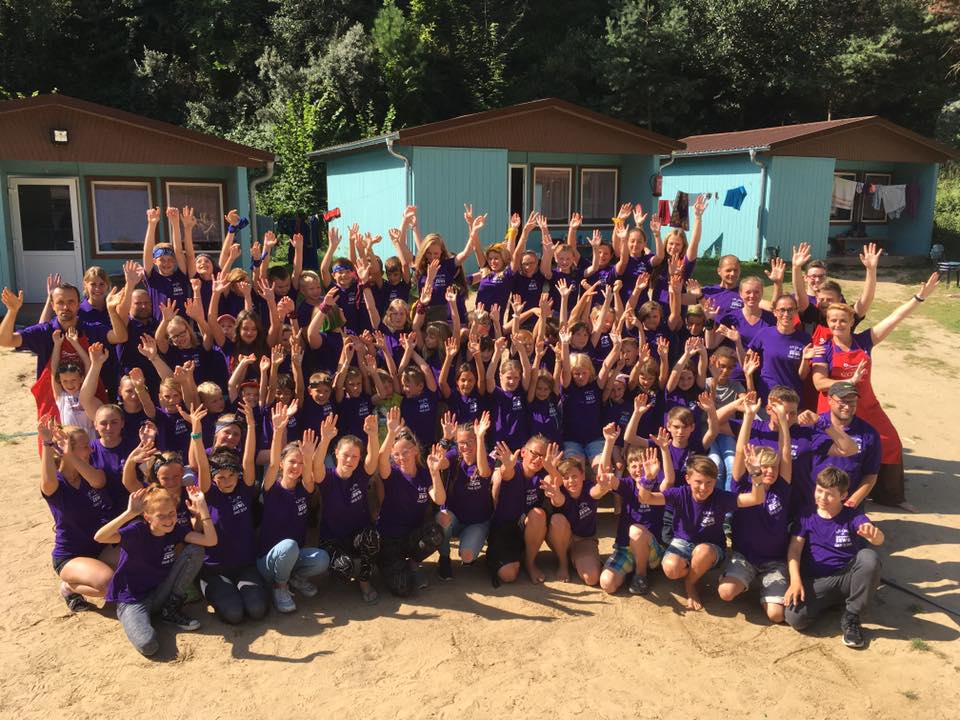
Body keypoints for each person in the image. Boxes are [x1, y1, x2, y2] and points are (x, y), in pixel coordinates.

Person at [811, 272, 939, 508]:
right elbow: (819, 382)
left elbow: (895, 318)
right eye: (833, 321)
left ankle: (890, 496)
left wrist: (919, 297)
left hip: (867, 405)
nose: (838, 325)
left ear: (852, 321)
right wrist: (849, 381)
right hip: (833, 408)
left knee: (890, 443)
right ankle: (830, 498)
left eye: (842, 320)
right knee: (834, 449)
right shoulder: (823, 349)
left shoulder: (864, 341)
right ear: (827, 322)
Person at [95, 484, 217, 657]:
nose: (168, 520)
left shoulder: (175, 530)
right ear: (148, 517)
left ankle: (170, 610)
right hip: (133, 600)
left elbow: (210, 541)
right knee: (148, 645)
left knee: (195, 550)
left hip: (160, 592)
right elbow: (100, 537)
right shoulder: (137, 531)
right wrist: (130, 513)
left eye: (172, 513)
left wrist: (203, 508)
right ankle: (139, 618)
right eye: (161, 516)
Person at [637, 456, 766, 611]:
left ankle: (690, 583)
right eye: (698, 482)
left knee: (702, 551)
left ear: (715, 481)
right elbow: (646, 498)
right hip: (683, 541)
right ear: (688, 479)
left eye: (709, 482)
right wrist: (648, 479)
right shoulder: (680, 494)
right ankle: (694, 569)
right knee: (671, 569)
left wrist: (756, 475)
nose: (704, 488)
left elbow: (756, 498)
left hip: (711, 548)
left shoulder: (720, 497)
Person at [784, 467, 885, 649]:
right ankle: (834, 601)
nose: (822, 497)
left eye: (830, 494)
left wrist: (875, 535)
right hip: (818, 581)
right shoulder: (806, 515)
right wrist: (795, 581)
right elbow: (794, 550)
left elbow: (877, 539)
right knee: (794, 618)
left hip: (846, 577)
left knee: (869, 557)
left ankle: (852, 616)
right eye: (819, 491)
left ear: (843, 495)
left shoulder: (852, 515)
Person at [716, 395, 793, 623]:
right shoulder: (742, 484)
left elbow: (785, 452)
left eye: (773, 467)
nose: (769, 471)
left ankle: (766, 592)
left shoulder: (781, 488)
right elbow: (740, 451)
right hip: (745, 557)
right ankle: (741, 578)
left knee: (776, 616)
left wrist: (783, 420)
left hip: (774, 561)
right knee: (725, 593)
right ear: (754, 467)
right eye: (764, 466)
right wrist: (748, 416)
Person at [194, 400, 269, 624]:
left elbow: (248, 458)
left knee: (257, 610)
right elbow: (202, 463)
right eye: (221, 478)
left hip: (244, 564)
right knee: (234, 614)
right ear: (213, 478)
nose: (226, 481)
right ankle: (203, 585)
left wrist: (251, 425)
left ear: (238, 475)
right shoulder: (209, 491)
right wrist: (196, 430)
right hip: (215, 568)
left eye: (231, 476)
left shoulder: (244, 487)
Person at [257, 405, 330, 613]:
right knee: (289, 546)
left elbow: (308, 476)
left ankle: (293, 578)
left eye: (300, 463)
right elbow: (271, 464)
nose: (296, 466)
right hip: (268, 561)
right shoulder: (271, 487)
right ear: (282, 464)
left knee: (322, 559)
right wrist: (278, 430)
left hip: (293, 556)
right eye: (291, 462)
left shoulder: (304, 489)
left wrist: (311, 453)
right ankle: (279, 587)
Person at [38, 417, 115, 612]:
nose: (91, 450)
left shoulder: (91, 473)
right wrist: (48, 443)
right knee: (108, 584)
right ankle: (68, 588)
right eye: (85, 447)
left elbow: (98, 482)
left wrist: (71, 456)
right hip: (71, 556)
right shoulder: (56, 483)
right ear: (67, 450)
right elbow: (47, 483)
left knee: (139, 559)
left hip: (101, 548)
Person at [596, 427, 674, 595]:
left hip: (652, 548)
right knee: (607, 584)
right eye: (633, 466)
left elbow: (669, 480)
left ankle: (641, 575)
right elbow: (605, 476)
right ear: (628, 468)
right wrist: (609, 442)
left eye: (642, 465)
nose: (638, 470)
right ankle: (632, 566)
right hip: (626, 549)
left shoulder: (656, 485)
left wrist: (665, 449)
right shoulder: (627, 485)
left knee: (636, 531)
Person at [376, 407, 445, 596]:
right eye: (396, 455)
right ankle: (391, 565)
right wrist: (391, 433)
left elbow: (440, 499)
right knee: (403, 589)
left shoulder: (424, 473)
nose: (401, 458)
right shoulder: (391, 473)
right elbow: (381, 459)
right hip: (390, 539)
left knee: (436, 532)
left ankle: (413, 565)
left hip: (411, 537)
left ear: (415, 450)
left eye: (405, 452)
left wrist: (434, 473)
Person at [316, 414, 382, 604]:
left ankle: (365, 581)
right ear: (336, 453)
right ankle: (343, 566)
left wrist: (373, 435)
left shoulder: (360, 474)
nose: (349, 460)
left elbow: (373, 459)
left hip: (357, 538)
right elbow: (316, 465)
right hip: (332, 539)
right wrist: (325, 439)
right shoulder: (327, 477)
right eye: (345, 455)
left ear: (359, 458)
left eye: (355, 456)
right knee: (344, 570)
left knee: (373, 536)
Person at [436, 412, 493, 580]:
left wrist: (480, 436)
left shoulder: (485, 459)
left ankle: (470, 543)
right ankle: (444, 558)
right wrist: (446, 439)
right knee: (442, 517)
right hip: (454, 519)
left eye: (470, 441)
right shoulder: (454, 456)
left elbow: (484, 472)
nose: (465, 446)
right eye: (461, 442)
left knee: (467, 557)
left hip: (477, 521)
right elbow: (438, 462)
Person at [487, 435, 551, 585]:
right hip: (504, 531)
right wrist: (507, 465)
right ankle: (502, 558)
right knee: (508, 575)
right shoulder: (514, 468)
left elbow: (554, 482)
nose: (538, 459)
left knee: (539, 515)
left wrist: (552, 469)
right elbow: (506, 472)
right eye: (534, 453)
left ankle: (530, 563)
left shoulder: (542, 474)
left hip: (525, 529)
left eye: (543, 456)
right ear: (523, 452)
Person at [810, 382, 881, 510]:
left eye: (852, 402)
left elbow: (871, 475)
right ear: (830, 400)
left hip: (847, 502)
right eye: (842, 401)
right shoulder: (813, 426)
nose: (847, 407)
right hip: (813, 499)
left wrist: (852, 503)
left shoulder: (869, 434)